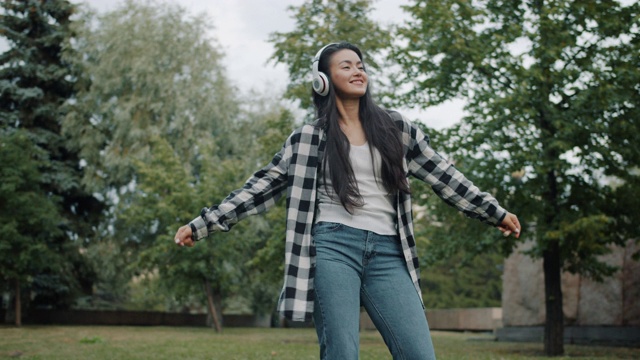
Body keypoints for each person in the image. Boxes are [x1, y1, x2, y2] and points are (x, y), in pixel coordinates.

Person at [174, 42, 521, 360]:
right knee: (341, 353)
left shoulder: (396, 129)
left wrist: (494, 211)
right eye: (346, 66)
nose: (358, 71)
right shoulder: (309, 139)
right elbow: (260, 187)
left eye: (360, 65)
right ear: (322, 80)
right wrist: (202, 224)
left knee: (419, 354)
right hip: (333, 247)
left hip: (388, 252)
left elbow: (444, 175)